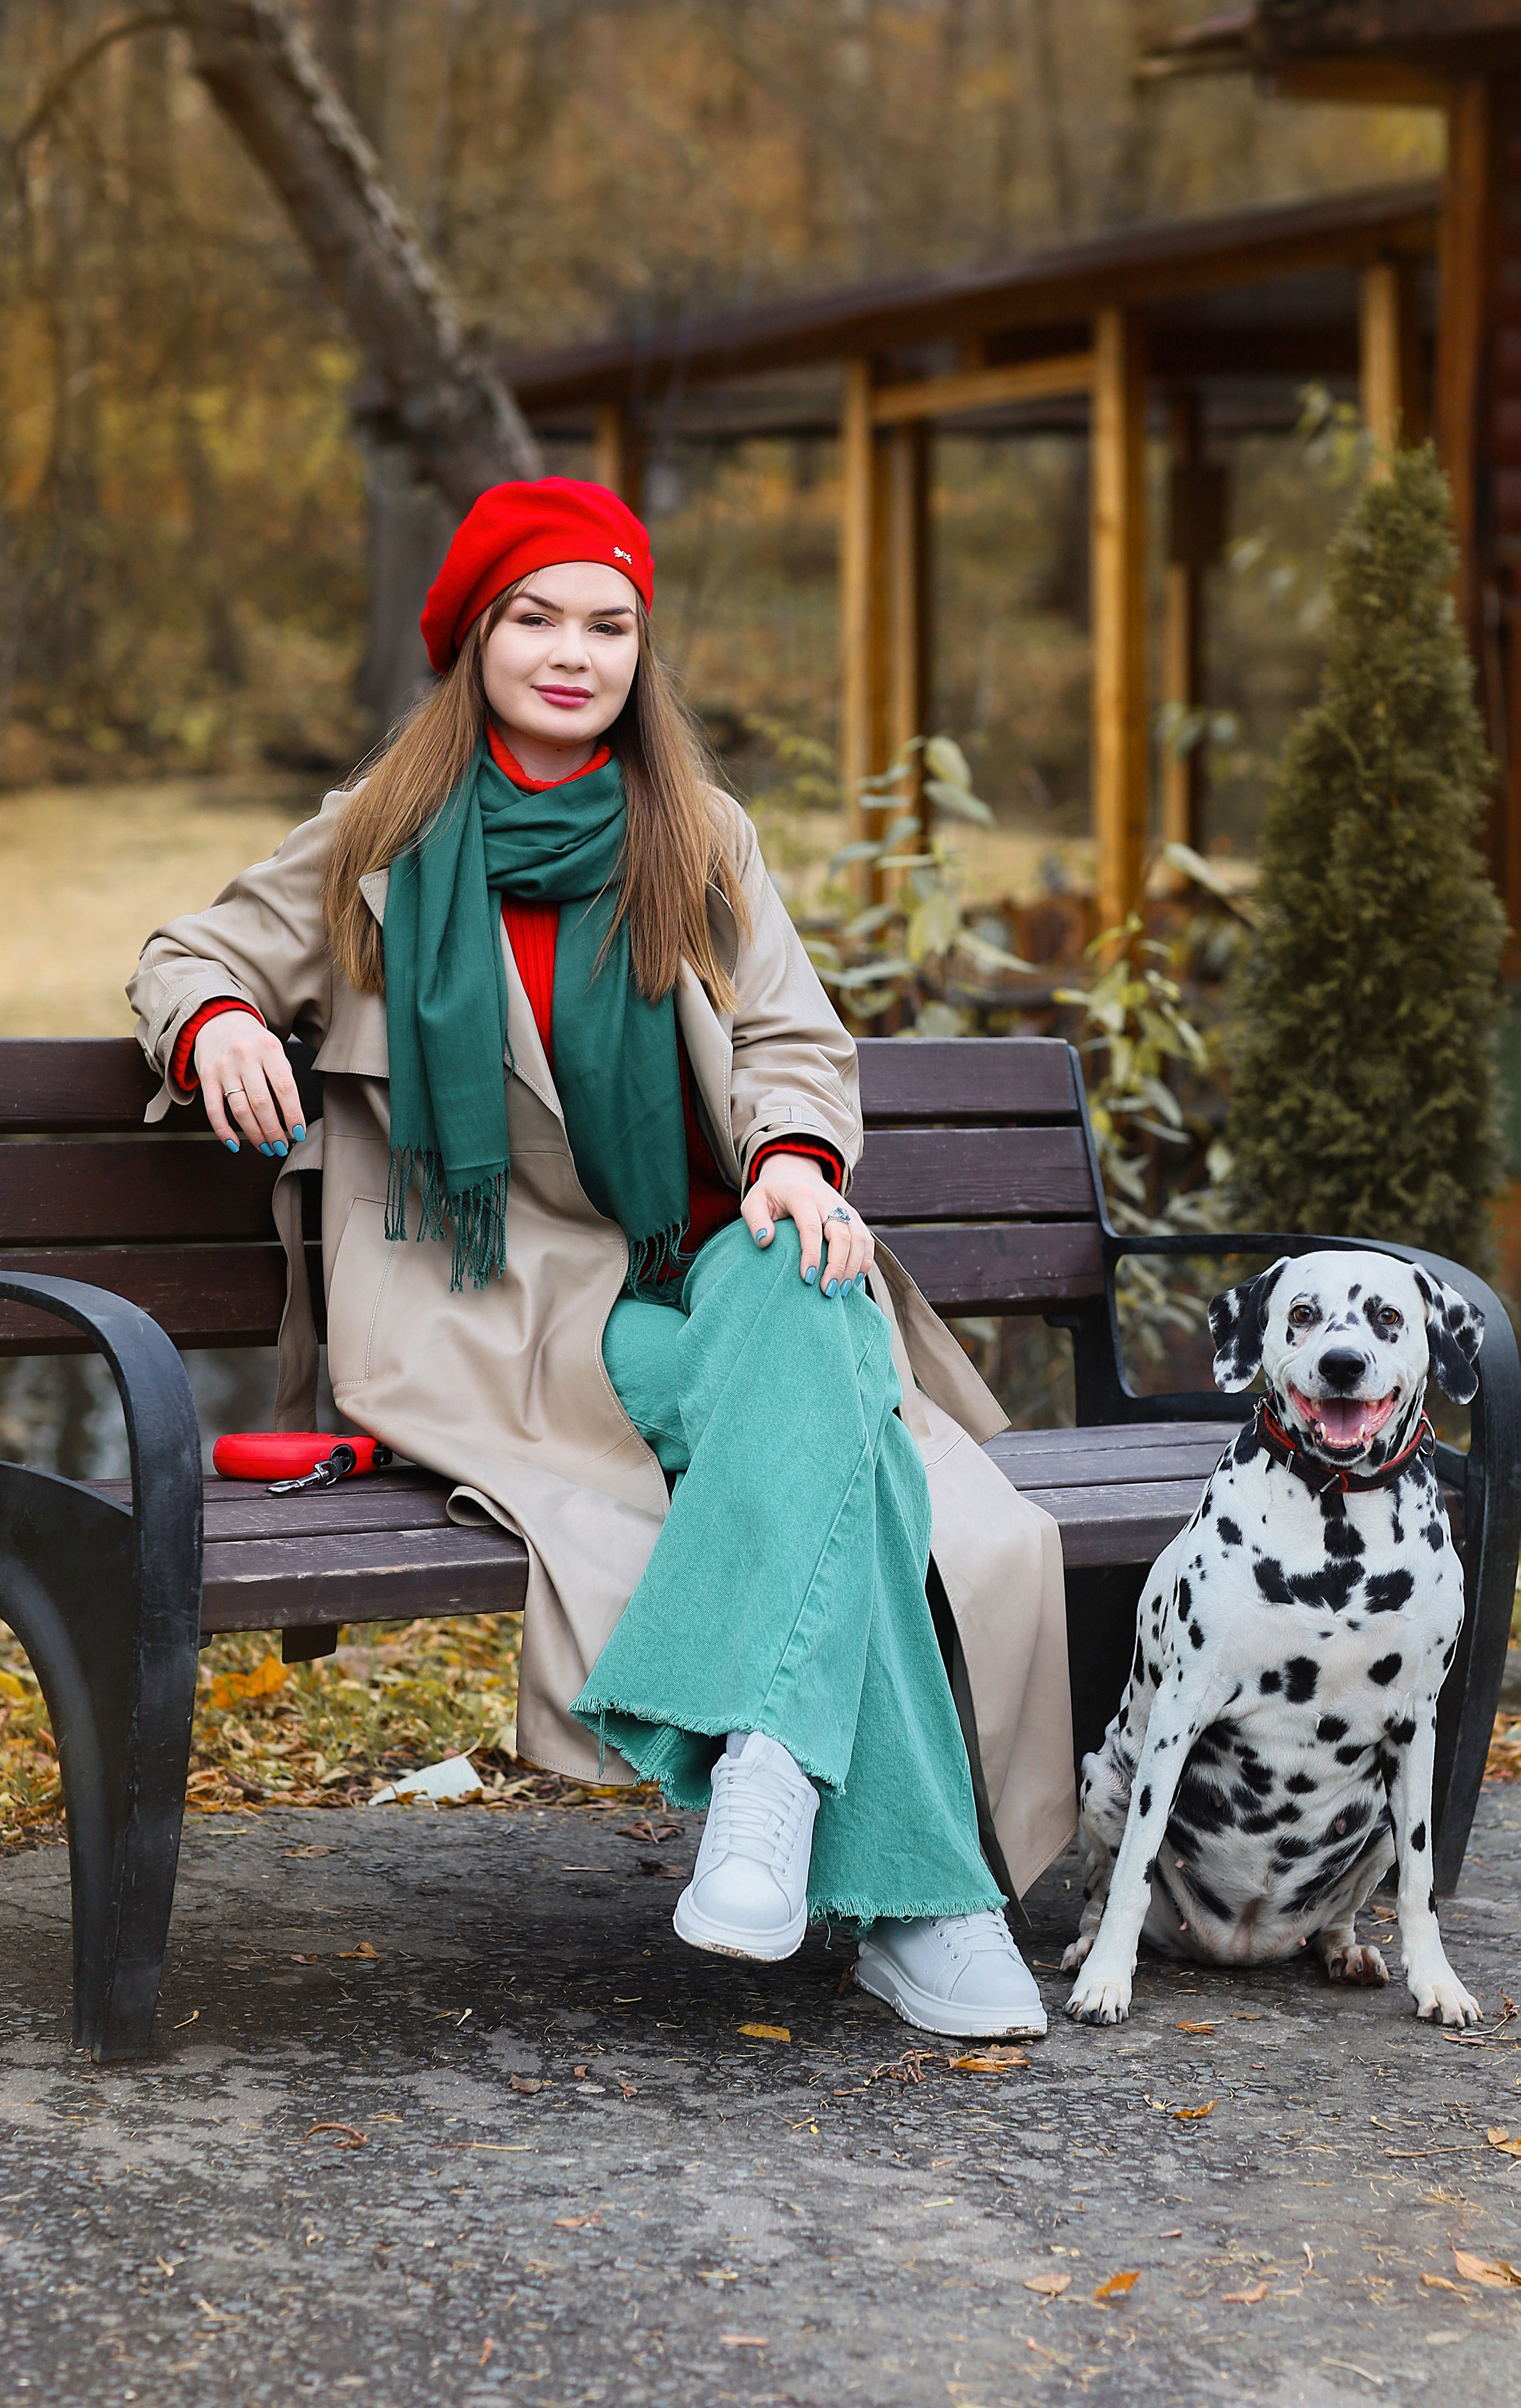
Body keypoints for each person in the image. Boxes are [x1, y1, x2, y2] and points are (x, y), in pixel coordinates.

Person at [128, 478, 1073, 2038]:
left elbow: (787, 1037)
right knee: (855, 1437)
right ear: (476, 637)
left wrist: (786, 1152)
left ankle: (769, 1780)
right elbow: (191, 955)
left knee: (812, 1293)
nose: (574, 653)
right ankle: (930, 1901)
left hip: (708, 1278)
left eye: (610, 624)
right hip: (506, 1316)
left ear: (642, 650)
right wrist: (219, 1017)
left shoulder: (695, 835)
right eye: (537, 618)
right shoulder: (384, 832)